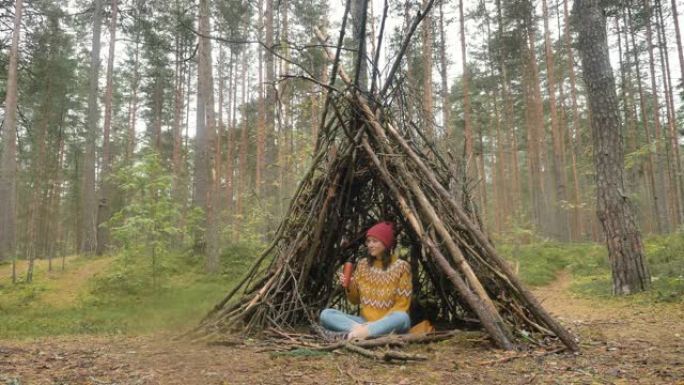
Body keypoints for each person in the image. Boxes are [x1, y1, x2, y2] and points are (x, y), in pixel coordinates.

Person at [317, 221, 412, 341]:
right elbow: (355, 301)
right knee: (326, 314)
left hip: (389, 323)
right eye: (369, 241)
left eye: (375, 241)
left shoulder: (402, 267)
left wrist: (378, 324)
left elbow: (401, 306)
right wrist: (350, 285)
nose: (370, 245)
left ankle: (358, 333)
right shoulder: (363, 265)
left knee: (402, 317)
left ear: (386, 243)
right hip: (364, 323)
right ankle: (361, 332)